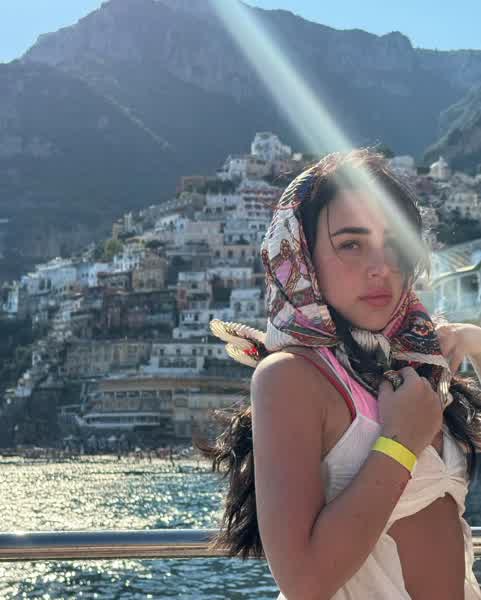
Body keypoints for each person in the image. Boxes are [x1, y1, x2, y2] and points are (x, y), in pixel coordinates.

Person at [205, 149, 481, 599]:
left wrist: (471, 340)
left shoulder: (415, 365)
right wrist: (401, 442)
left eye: (395, 244)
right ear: (303, 255)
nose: (381, 266)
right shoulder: (290, 377)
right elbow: (304, 581)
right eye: (351, 244)